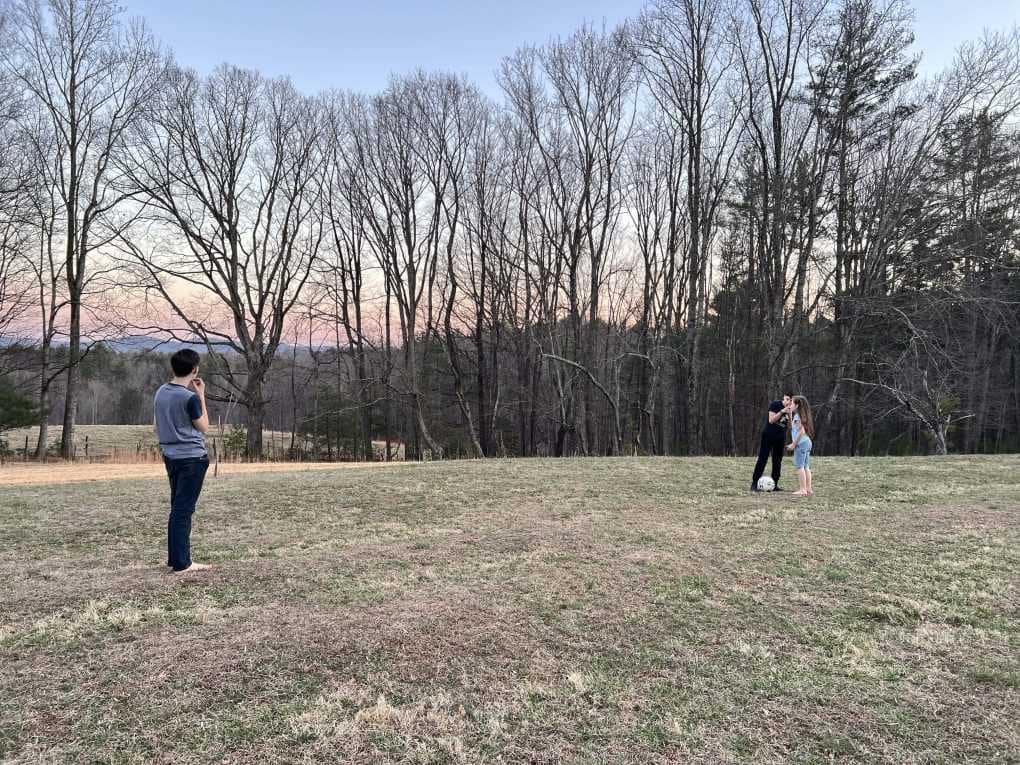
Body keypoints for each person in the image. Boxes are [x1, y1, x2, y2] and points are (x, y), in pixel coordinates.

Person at [154, 349, 211, 573]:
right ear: (194, 370)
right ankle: (182, 563)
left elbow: (156, 425)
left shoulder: (161, 392)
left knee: (177, 508)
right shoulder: (189, 398)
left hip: (170, 457)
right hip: (192, 459)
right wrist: (201, 396)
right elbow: (204, 426)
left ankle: (176, 558)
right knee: (183, 510)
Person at [750, 392, 793, 492]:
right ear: (784, 398)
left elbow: (790, 427)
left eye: (790, 401)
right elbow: (771, 420)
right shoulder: (775, 405)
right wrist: (782, 411)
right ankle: (754, 483)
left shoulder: (790, 410)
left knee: (777, 461)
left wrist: (790, 414)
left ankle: (774, 484)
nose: (788, 402)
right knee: (763, 458)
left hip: (780, 437)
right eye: (787, 399)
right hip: (769, 435)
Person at [787, 395, 815, 496]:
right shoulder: (800, 415)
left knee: (800, 467)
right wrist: (790, 413)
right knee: (806, 466)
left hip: (801, 444)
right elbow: (793, 427)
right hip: (807, 442)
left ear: (797, 405)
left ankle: (802, 490)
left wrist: (794, 444)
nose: (790, 405)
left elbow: (801, 431)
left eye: (792, 403)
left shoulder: (798, 416)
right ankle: (808, 489)